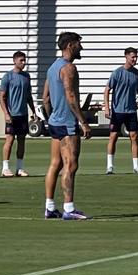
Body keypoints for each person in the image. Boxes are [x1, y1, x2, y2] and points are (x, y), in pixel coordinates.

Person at [42, 31, 92, 220]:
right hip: (67, 123)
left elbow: (46, 98)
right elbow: (71, 97)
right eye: (79, 43)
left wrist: (51, 117)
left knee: (55, 164)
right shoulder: (69, 68)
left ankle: (50, 207)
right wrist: (83, 122)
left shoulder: (52, 67)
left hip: (55, 121)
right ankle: (69, 209)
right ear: (70, 45)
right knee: (70, 165)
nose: (81, 47)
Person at [103, 47, 138, 175]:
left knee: (134, 137)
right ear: (126, 57)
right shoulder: (117, 73)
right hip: (117, 111)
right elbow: (107, 90)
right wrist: (107, 108)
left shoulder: (137, 74)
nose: (135, 59)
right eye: (132, 57)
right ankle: (110, 166)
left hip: (131, 111)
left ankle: (136, 166)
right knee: (113, 136)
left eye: (136, 57)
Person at [0, 51, 37, 177]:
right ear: (14, 61)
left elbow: (29, 96)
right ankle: (5, 168)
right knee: (9, 139)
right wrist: (6, 113)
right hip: (12, 114)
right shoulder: (7, 77)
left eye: (24, 60)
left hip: (23, 114)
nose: (23, 63)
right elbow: (2, 97)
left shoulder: (26, 76)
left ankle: (19, 168)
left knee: (22, 141)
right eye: (21, 60)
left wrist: (34, 111)